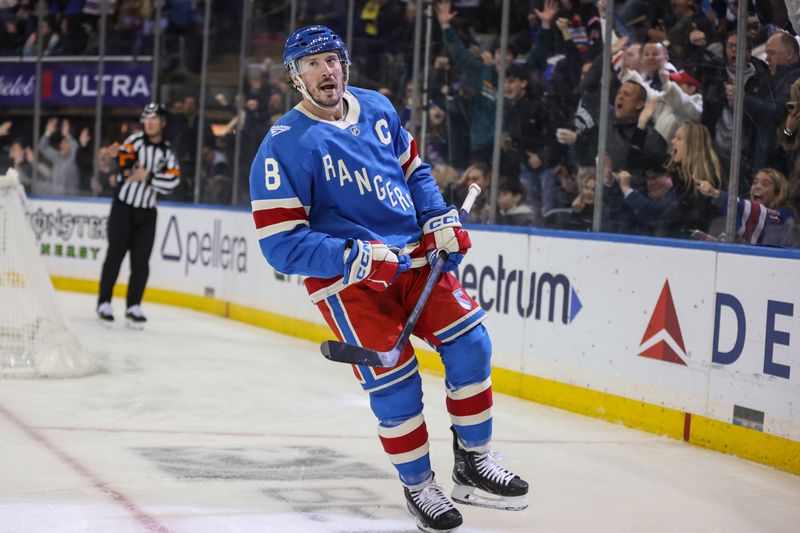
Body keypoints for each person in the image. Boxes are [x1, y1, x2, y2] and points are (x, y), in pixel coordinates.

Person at [249, 25, 528, 533]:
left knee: (472, 344)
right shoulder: (282, 146)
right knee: (395, 381)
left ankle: (473, 464)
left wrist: (436, 218)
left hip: (416, 262)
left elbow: (416, 172)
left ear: (345, 64)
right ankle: (420, 485)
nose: (325, 70)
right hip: (349, 283)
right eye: (311, 63)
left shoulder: (377, 108)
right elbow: (280, 244)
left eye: (332, 59)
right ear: (295, 77)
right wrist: (354, 256)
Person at [96, 103, 180, 326]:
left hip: (147, 213)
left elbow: (173, 181)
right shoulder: (133, 142)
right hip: (123, 208)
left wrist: (149, 177)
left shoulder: (167, 151)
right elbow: (125, 169)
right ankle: (104, 302)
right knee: (115, 255)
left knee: (141, 262)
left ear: (163, 123)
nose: (149, 123)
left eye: (154, 119)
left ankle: (134, 305)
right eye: (146, 118)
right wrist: (114, 159)